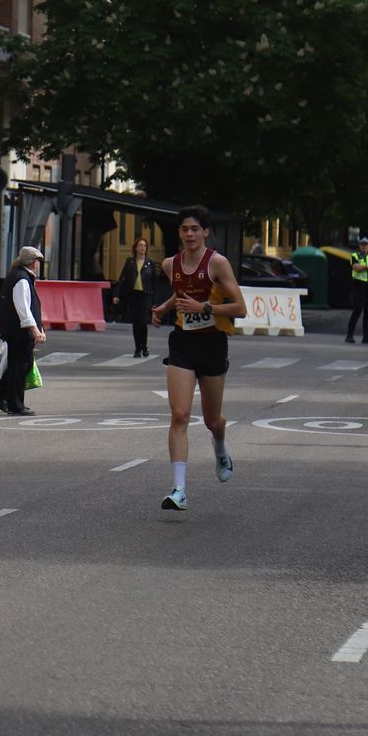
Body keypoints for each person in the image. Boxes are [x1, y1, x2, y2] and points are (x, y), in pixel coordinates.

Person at [150, 206, 246, 511]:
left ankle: (220, 447)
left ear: (205, 232)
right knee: (179, 415)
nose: (189, 234)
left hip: (213, 343)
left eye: (195, 229)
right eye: (184, 229)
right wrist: (165, 308)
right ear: (179, 233)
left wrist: (204, 308)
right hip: (182, 343)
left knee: (212, 420)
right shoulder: (169, 264)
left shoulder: (217, 264)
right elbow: (181, 294)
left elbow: (240, 308)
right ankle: (179, 489)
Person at [0, 246, 47, 416]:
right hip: (19, 330)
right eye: (37, 261)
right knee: (20, 366)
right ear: (32, 262)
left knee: (22, 364)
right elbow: (23, 308)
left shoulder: (21, 276)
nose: (38, 264)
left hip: (17, 329)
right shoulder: (21, 279)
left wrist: (38, 328)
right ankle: (15, 405)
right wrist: (35, 330)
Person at [112, 236, 157, 357]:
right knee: (135, 322)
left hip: (146, 295)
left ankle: (144, 346)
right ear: (136, 248)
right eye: (140, 245)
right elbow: (122, 279)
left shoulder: (150, 263)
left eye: (144, 246)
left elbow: (154, 283)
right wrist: (116, 294)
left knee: (143, 321)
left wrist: (154, 302)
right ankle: (137, 348)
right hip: (133, 294)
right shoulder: (130, 261)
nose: (143, 248)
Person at [346, 234, 368, 344]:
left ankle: (366, 336)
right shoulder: (355, 255)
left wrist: (365, 267)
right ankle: (349, 335)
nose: (364, 246)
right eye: (362, 244)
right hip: (359, 285)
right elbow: (356, 267)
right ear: (359, 246)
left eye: (366, 244)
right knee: (357, 310)